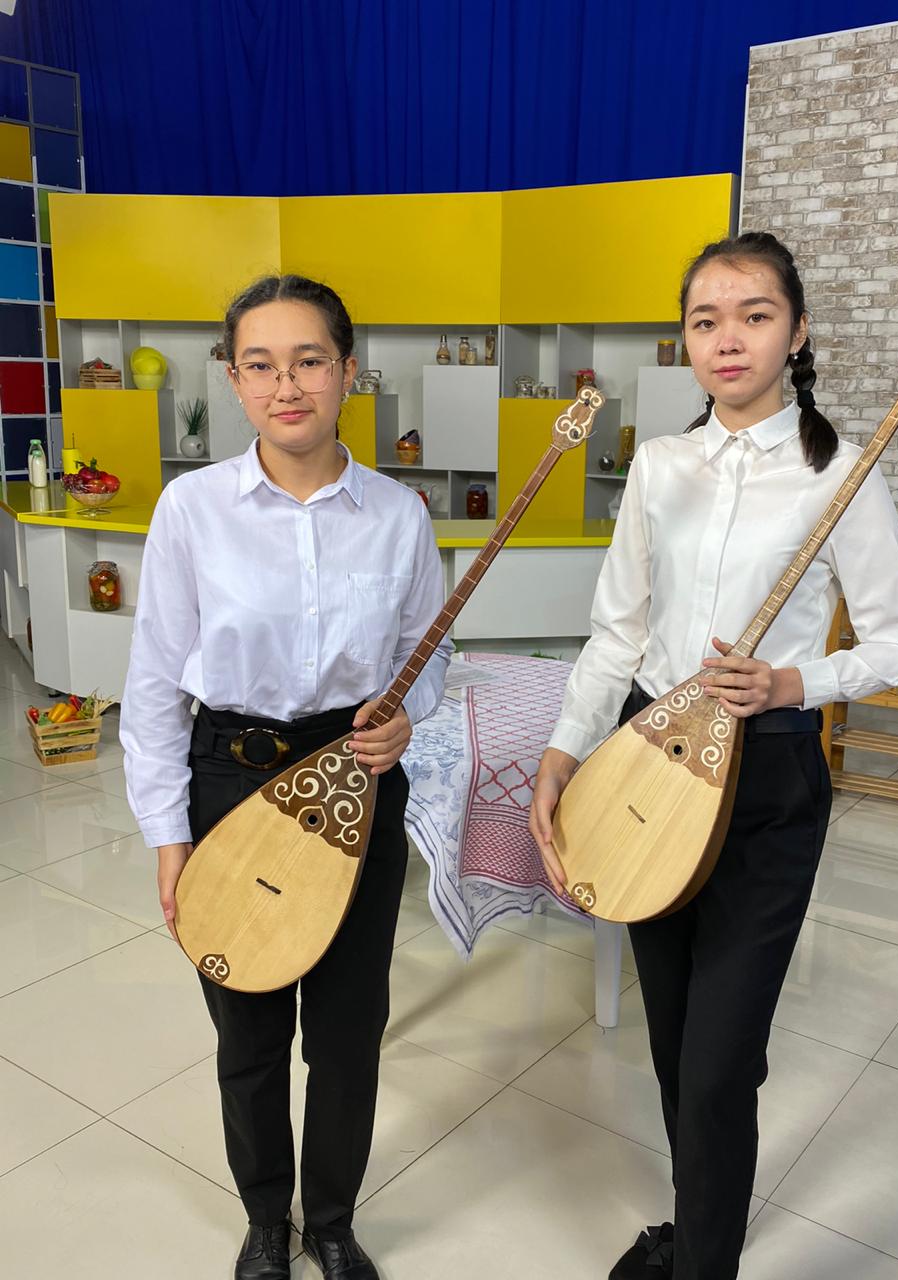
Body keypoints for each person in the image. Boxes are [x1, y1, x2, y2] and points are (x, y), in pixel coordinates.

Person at [529, 231, 898, 1280]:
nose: (729, 339)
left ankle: (703, 1261)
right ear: (686, 339)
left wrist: (794, 682)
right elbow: (617, 631)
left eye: (755, 315)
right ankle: (701, 1224)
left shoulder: (839, 473)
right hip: (645, 766)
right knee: (672, 1039)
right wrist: (566, 750)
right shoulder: (660, 466)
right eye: (705, 320)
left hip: (768, 782)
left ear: (796, 332)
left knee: (718, 1060)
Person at [120, 273, 451, 1280]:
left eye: (309, 360)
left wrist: (406, 716)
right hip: (231, 777)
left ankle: (333, 1220)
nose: (286, 385)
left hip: (356, 781)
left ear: (348, 370)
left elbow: (428, 653)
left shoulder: (397, 513)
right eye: (259, 364)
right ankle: (267, 1219)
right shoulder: (192, 509)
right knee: (250, 1027)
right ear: (232, 379)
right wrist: (169, 837)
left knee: (348, 1029)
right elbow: (153, 684)